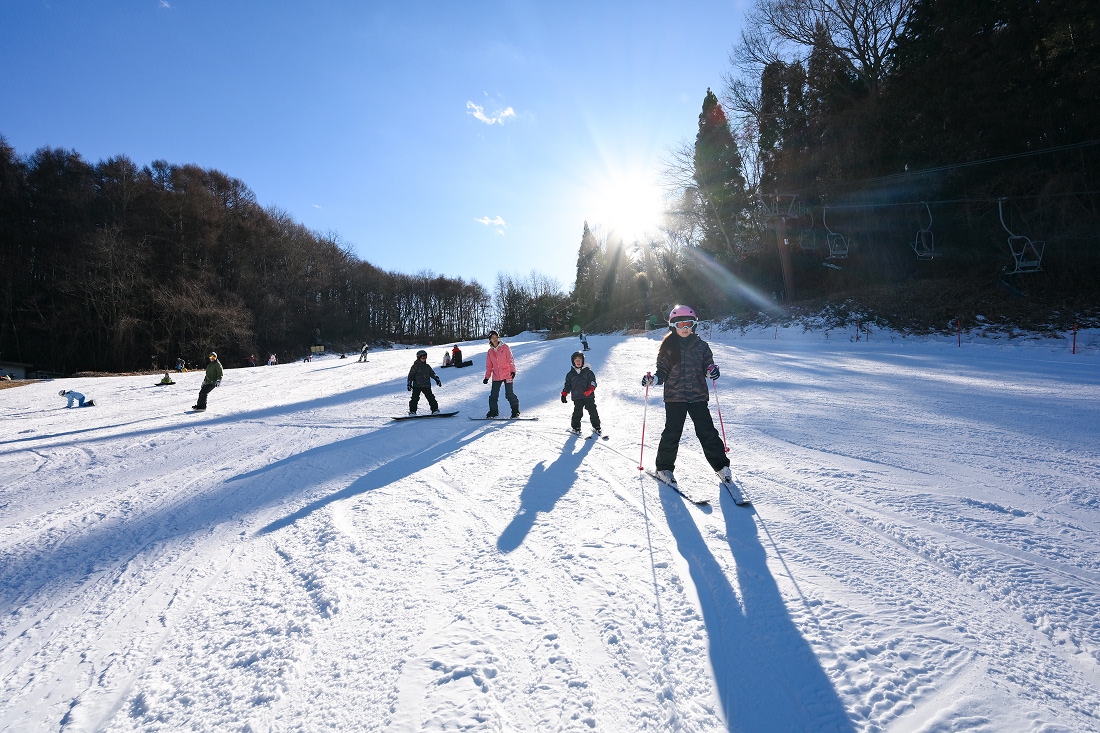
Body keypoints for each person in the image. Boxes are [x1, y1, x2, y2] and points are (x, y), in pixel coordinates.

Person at [640, 305, 730, 488]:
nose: (685, 328)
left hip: (698, 396)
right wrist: (653, 379)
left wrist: (712, 370)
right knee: (672, 433)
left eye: (688, 324)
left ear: (694, 325)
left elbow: (708, 365)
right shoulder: (668, 347)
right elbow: (662, 371)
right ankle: (664, 468)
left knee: (707, 431)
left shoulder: (702, 346)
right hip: (675, 397)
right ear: (673, 326)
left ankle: (721, 466)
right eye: (680, 325)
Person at [562, 351, 601, 435]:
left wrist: (590, 389)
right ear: (573, 362)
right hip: (577, 397)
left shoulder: (588, 372)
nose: (578, 361)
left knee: (592, 411)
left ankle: (597, 427)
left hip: (588, 396)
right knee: (577, 412)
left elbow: (593, 382)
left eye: (580, 359)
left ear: (583, 361)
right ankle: (576, 428)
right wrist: (564, 393)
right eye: (576, 360)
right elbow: (568, 385)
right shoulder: (570, 374)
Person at [483, 330, 520, 418]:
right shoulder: (490, 352)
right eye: (493, 337)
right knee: (493, 396)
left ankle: (515, 411)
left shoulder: (505, 347)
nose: (495, 339)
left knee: (509, 394)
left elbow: (510, 360)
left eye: (496, 337)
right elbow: (489, 366)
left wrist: (513, 371)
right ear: (490, 339)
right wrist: (487, 377)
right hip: (496, 376)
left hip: (507, 375)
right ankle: (493, 412)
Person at [407, 349, 442, 415]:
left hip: (426, 385)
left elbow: (432, 374)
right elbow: (411, 375)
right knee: (414, 399)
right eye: (422, 357)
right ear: (418, 357)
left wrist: (437, 379)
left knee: (431, 398)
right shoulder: (415, 367)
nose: (424, 358)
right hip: (417, 386)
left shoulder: (427, 366)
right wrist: (409, 384)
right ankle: (412, 411)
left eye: (425, 357)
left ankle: (435, 410)